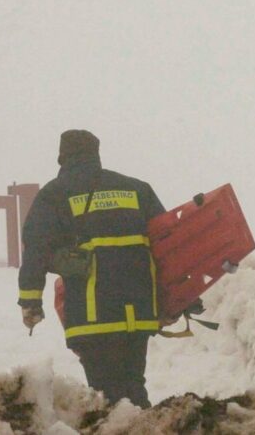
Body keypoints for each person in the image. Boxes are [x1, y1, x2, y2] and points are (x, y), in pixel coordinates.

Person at [17, 129, 165, 408]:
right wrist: (174, 298)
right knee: (133, 385)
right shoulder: (137, 189)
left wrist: (30, 300)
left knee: (106, 397)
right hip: (139, 314)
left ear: (62, 157)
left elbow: (36, 249)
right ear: (96, 154)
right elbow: (168, 244)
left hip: (93, 313)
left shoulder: (55, 194)